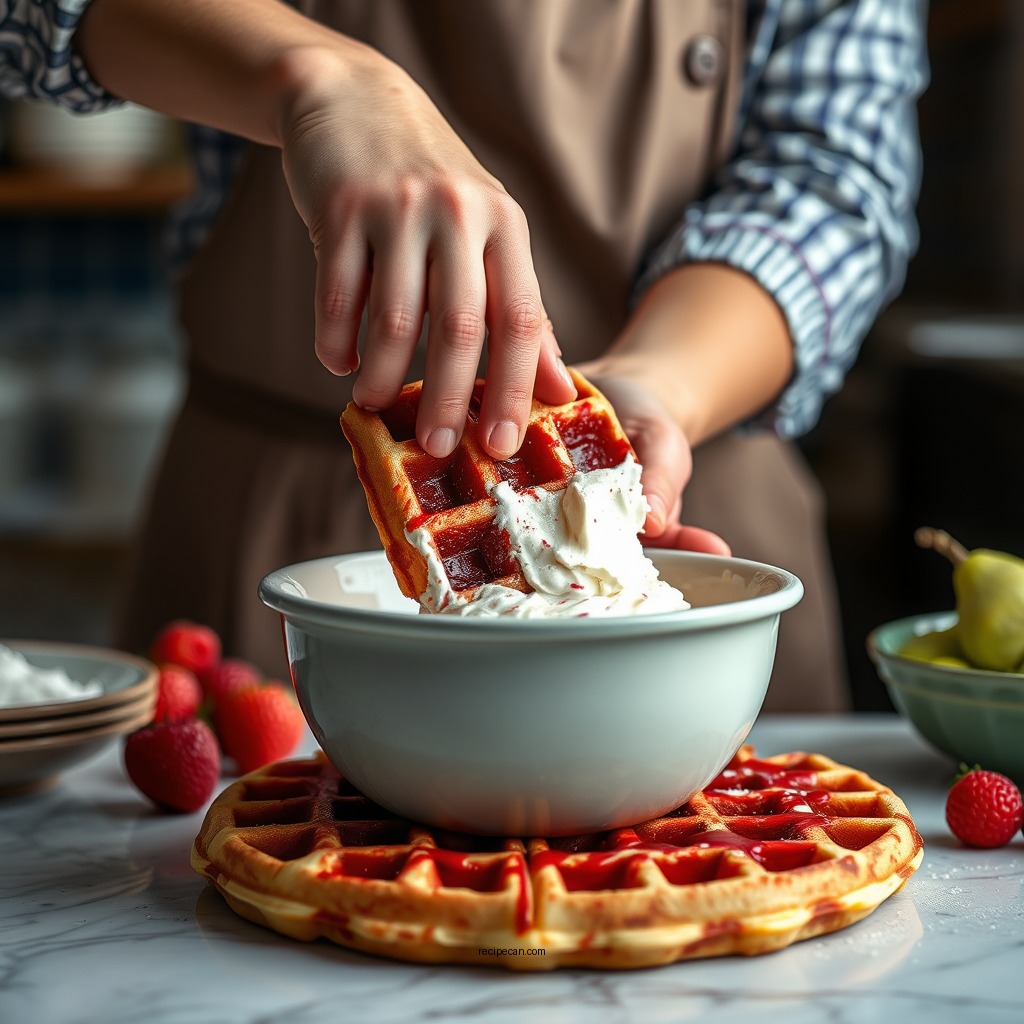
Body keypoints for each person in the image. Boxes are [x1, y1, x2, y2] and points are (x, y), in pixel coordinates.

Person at [1, 0, 927, 711]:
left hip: (673, 527)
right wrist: (318, 75)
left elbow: (834, 181)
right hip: (272, 528)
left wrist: (659, 387)